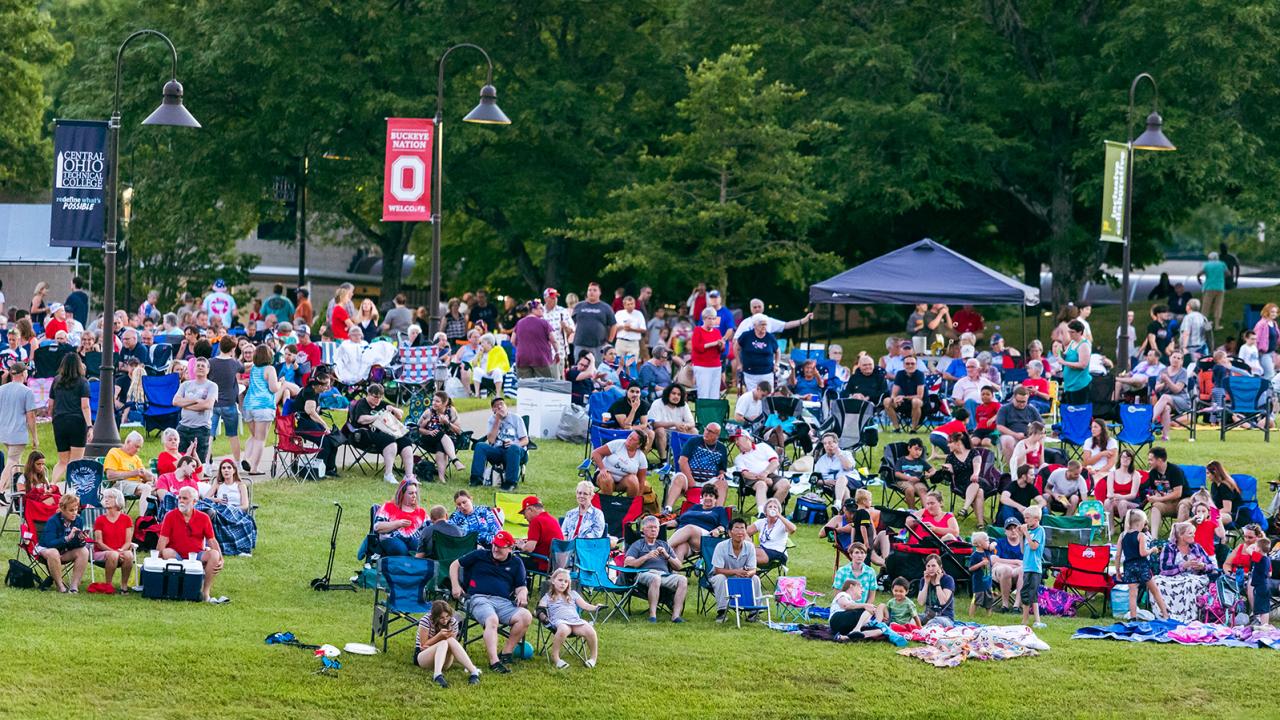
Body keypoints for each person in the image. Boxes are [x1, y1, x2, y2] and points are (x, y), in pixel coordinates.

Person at [450, 530, 532, 673]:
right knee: (492, 619)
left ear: (510, 548)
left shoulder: (516, 562)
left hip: (503, 602)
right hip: (478, 599)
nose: (495, 548)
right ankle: (494, 662)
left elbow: (521, 586)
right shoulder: (480, 555)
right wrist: (455, 586)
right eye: (494, 544)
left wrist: (523, 594)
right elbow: (454, 565)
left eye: (500, 546)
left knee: (525, 616)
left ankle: (506, 653)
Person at [156, 486, 227, 603]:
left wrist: (221, 559)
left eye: (185, 498)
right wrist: (157, 558)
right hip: (176, 554)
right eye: (179, 498)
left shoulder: (203, 517)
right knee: (166, 552)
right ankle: (175, 588)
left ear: (195, 501)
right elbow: (162, 540)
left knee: (214, 555)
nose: (181, 501)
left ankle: (205, 592)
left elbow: (212, 540)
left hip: (197, 555)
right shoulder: (170, 516)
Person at [349, 383, 416, 485]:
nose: (378, 400)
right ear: (368, 394)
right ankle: (388, 474)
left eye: (380, 397)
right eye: (375, 397)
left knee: (405, 441)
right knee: (389, 440)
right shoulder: (362, 403)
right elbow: (361, 419)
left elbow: (400, 415)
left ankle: (409, 476)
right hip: (365, 434)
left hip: (385, 431)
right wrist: (379, 415)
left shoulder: (382, 404)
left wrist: (393, 409)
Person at [624, 515, 687, 622]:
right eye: (650, 527)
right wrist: (646, 556)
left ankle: (676, 616)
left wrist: (667, 556)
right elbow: (627, 562)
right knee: (655, 578)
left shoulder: (664, 545)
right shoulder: (638, 544)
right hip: (644, 573)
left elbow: (678, 566)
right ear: (643, 530)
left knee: (683, 580)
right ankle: (652, 615)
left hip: (663, 575)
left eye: (656, 527)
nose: (653, 530)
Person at [1154, 521, 1217, 622]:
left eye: (1194, 533)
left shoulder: (1197, 547)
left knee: (1189, 583)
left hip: (1194, 578)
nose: (1194, 536)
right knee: (1156, 582)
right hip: (1174, 578)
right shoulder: (1169, 548)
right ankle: (1166, 614)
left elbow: (1212, 566)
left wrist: (1203, 566)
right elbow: (1165, 569)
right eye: (1190, 533)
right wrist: (1184, 565)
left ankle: (1188, 616)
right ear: (1180, 535)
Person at [538, 568, 600, 668]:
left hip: (575, 621)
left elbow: (585, 606)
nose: (563, 583)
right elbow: (540, 608)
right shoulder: (548, 596)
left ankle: (593, 658)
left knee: (590, 630)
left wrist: (596, 607)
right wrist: (543, 617)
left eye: (566, 581)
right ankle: (556, 657)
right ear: (553, 581)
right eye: (560, 580)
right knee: (563, 629)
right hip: (559, 622)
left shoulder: (573, 594)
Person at [415, 599, 482, 687]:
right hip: (423, 656)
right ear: (435, 617)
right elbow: (423, 645)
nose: (445, 620)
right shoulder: (426, 620)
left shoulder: (453, 621)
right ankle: (437, 675)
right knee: (443, 643)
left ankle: (474, 672)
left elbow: (452, 646)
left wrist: (446, 638)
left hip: (443, 658)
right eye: (441, 618)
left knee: (449, 641)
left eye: (447, 616)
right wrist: (439, 636)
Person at [708, 517, 763, 622]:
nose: (740, 531)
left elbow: (753, 569)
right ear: (729, 532)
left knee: (755, 578)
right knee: (720, 578)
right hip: (722, 577)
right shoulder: (721, 546)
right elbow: (717, 570)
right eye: (736, 528)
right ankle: (722, 612)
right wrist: (736, 571)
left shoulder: (750, 547)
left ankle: (754, 611)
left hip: (741, 577)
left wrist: (748, 574)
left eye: (742, 528)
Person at [1118, 508, 1170, 620]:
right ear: (1139, 523)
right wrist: (1152, 550)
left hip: (1129, 567)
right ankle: (1165, 614)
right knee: (1155, 590)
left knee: (1132, 594)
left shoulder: (1122, 535)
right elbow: (1142, 553)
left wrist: (1118, 570)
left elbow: (1118, 555)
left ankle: (1133, 617)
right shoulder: (1140, 535)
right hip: (1142, 566)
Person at [663, 423, 729, 511]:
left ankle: (718, 511)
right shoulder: (694, 441)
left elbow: (722, 468)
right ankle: (668, 509)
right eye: (706, 429)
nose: (706, 432)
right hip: (689, 478)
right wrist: (692, 482)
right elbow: (682, 462)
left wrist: (722, 474)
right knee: (678, 478)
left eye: (710, 432)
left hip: (709, 482)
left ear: (717, 435)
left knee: (723, 483)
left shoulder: (722, 448)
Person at [48, 353, 91, 485]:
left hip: (59, 422)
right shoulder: (83, 382)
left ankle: (52, 485)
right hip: (77, 422)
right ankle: (72, 490)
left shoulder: (56, 380)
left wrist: (53, 419)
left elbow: (50, 405)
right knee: (75, 461)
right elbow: (85, 406)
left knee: (62, 461)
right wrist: (90, 426)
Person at [0, 361, 39, 499]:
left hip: (4, 431)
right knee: (12, 460)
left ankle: (17, 490)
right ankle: (0, 488)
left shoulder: (2, 389)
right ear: (23, 373)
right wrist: (35, 437)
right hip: (17, 432)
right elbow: (31, 417)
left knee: (16, 462)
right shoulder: (26, 391)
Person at [37, 494, 90, 593]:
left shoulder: (78, 520)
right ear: (62, 509)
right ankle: (60, 586)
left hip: (64, 551)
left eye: (76, 509)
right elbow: (49, 543)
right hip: (46, 550)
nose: (74, 513)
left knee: (84, 551)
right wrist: (67, 538)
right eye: (71, 510)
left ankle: (74, 587)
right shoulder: (53, 521)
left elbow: (74, 545)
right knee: (53, 552)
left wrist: (80, 539)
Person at [732, 431, 787, 518]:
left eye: (738, 439)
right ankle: (762, 513)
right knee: (761, 484)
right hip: (752, 479)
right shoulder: (739, 458)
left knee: (785, 484)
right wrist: (763, 478)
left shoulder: (762, 447)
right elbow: (745, 474)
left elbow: (775, 462)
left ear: (747, 438)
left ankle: (771, 511)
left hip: (770, 474)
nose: (736, 443)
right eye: (735, 441)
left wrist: (766, 473)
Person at [172, 356, 217, 462]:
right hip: (183, 426)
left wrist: (185, 404)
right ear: (193, 368)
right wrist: (196, 400)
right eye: (198, 365)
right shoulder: (185, 385)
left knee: (198, 462)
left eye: (203, 366)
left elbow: (208, 405)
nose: (200, 367)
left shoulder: (212, 386)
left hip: (201, 428)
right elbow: (175, 402)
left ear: (208, 370)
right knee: (180, 459)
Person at [937, 432, 986, 527]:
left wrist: (975, 474)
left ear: (958, 443)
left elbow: (977, 465)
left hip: (974, 479)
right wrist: (948, 470)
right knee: (979, 491)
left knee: (976, 485)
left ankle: (965, 509)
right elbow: (950, 473)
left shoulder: (973, 452)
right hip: (960, 484)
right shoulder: (950, 457)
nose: (947, 445)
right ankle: (980, 523)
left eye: (950, 442)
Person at [93, 487, 135, 592]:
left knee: (129, 555)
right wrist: (114, 551)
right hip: (102, 552)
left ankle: (124, 586)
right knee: (113, 555)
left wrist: (121, 551)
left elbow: (128, 542)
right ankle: (108, 585)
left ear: (118, 500)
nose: (106, 499)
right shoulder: (100, 520)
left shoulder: (126, 519)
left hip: (121, 551)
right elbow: (99, 542)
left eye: (110, 497)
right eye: (105, 497)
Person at [103, 430, 156, 512]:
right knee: (146, 488)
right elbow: (110, 475)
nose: (138, 450)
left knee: (159, 490)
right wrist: (133, 473)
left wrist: (150, 478)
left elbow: (144, 474)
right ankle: (144, 520)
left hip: (136, 485)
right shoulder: (114, 452)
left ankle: (160, 520)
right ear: (128, 442)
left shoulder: (136, 458)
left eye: (139, 447)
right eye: (136, 446)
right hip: (120, 483)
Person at [416, 392, 464, 481]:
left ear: (445, 403)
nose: (434, 403)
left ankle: (442, 478)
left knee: (441, 443)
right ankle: (455, 460)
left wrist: (447, 423)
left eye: (437, 401)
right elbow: (417, 428)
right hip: (428, 439)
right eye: (433, 400)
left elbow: (458, 431)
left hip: (448, 443)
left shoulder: (451, 411)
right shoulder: (428, 412)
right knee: (439, 433)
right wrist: (428, 432)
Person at [590, 430, 650, 498]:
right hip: (604, 477)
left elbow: (641, 481)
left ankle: (630, 505)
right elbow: (596, 453)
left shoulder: (641, 457)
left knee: (633, 480)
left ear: (639, 445)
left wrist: (639, 500)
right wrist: (602, 468)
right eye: (630, 436)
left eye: (633, 439)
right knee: (606, 478)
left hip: (622, 483)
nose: (629, 439)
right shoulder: (618, 444)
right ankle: (606, 505)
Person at [373, 480, 427, 556]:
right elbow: (377, 527)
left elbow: (429, 530)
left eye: (415, 493)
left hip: (413, 539)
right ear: (402, 494)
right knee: (400, 549)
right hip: (390, 538)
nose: (414, 495)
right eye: (411, 493)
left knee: (419, 548)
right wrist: (398, 523)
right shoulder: (388, 507)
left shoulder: (421, 512)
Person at [1143, 447, 1188, 539]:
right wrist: (1155, 495)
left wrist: (1159, 498)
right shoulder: (1153, 473)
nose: (1149, 462)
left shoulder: (1175, 471)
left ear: (1159, 460)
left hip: (1182, 500)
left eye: (1151, 460)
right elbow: (1155, 489)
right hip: (1167, 503)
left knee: (1184, 506)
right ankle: (1153, 538)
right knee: (1155, 507)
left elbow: (1177, 493)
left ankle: (1178, 537)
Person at [813, 432, 860, 511]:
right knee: (844, 490)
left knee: (841, 478)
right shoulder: (821, 461)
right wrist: (825, 482)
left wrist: (839, 454)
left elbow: (848, 467)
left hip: (853, 482)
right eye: (825, 444)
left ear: (836, 443)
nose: (827, 445)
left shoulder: (846, 454)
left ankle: (838, 503)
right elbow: (814, 480)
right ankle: (845, 514)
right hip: (833, 486)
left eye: (830, 443)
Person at [570, 283, 615, 365]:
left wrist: (609, 341)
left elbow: (613, 325)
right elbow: (571, 323)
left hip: (598, 345)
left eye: (594, 290)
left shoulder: (606, 307)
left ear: (600, 292)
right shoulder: (579, 306)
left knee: (597, 370)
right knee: (580, 368)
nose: (591, 292)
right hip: (580, 344)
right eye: (589, 290)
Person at [648, 383, 695, 462]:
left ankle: (689, 460)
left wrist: (685, 426)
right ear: (667, 394)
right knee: (660, 430)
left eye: (679, 394)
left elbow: (692, 423)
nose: (676, 396)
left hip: (678, 433)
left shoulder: (684, 405)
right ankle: (663, 461)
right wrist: (674, 423)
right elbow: (654, 424)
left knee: (694, 431)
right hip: (659, 435)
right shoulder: (657, 403)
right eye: (673, 393)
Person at [515, 495, 563, 572]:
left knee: (512, 560)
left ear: (530, 509)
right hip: (556, 564)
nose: (524, 517)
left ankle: (520, 584)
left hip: (544, 563)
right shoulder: (552, 519)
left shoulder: (536, 521)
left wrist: (521, 545)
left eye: (524, 513)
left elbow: (529, 549)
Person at [995, 387, 1042, 463]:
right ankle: (1014, 467)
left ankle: (1038, 465)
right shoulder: (1004, 409)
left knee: (1041, 436)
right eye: (1019, 401)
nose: (1021, 404)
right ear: (1013, 398)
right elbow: (1000, 427)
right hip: (1010, 436)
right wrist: (1015, 435)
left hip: (1028, 436)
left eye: (1024, 401)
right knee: (1007, 440)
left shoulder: (1031, 409)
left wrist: (1032, 435)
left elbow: (1040, 425)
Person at [512, 300, 557, 379]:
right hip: (541, 358)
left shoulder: (519, 323)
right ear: (533, 310)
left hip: (522, 358)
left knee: (526, 386)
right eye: (540, 308)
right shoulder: (543, 323)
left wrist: (522, 348)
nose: (543, 310)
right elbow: (553, 340)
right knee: (544, 385)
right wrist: (557, 352)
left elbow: (512, 340)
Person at [1018, 506, 1047, 628]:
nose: (1025, 520)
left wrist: (1026, 534)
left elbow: (1034, 547)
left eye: (1027, 518)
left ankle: (1025, 621)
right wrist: (1021, 536)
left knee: (1026, 593)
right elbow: (1023, 551)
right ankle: (1037, 620)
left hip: (1034, 568)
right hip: (1027, 567)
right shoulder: (1029, 532)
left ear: (1036, 519)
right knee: (1033, 595)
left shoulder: (1039, 530)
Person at [602, 385, 654, 450]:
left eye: (637, 392)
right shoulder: (619, 403)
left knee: (650, 433)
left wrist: (632, 428)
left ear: (640, 394)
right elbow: (624, 426)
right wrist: (634, 409)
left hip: (631, 428)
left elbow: (644, 424)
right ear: (627, 392)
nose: (635, 394)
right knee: (630, 431)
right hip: (615, 429)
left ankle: (641, 457)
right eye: (632, 391)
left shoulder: (643, 404)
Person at [884, 354, 927, 432]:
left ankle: (913, 429)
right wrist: (895, 399)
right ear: (903, 365)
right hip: (903, 402)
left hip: (921, 403)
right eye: (907, 364)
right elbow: (894, 393)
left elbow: (919, 396)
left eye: (912, 363)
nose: (910, 365)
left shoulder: (920, 374)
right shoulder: (900, 374)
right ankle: (897, 428)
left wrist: (903, 397)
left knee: (915, 401)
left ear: (916, 365)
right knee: (887, 401)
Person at [690, 307, 725, 401]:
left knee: (714, 393)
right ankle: (703, 415)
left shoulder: (717, 332)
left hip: (716, 365)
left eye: (714, 318)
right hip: (702, 366)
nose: (712, 321)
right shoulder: (698, 330)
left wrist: (721, 345)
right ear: (704, 319)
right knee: (703, 392)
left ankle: (713, 414)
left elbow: (721, 350)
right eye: (709, 318)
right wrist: (713, 344)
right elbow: (697, 347)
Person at [736, 317, 779, 393]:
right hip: (750, 373)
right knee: (752, 395)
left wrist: (776, 364)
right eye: (762, 324)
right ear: (755, 325)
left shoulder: (770, 337)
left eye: (765, 324)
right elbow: (736, 347)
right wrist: (739, 363)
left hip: (767, 372)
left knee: (767, 395)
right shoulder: (746, 336)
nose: (764, 326)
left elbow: (777, 351)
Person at [749, 497, 794, 567]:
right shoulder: (761, 522)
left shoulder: (782, 523)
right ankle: (747, 572)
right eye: (770, 507)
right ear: (765, 511)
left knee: (748, 554)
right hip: (762, 550)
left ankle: (745, 568)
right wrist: (750, 544)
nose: (773, 509)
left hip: (778, 553)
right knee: (744, 545)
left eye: (775, 507)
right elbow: (744, 532)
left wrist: (779, 516)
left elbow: (793, 529)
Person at [892, 438, 931, 509]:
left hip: (918, 482)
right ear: (909, 448)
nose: (918, 452)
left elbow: (932, 470)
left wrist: (930, 474)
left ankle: (927, 511)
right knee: (910, 489)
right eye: (916, 449)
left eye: (920, 450)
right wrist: (910, 478)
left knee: (922, 490)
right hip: (903, 481)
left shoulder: (921, 461)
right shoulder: (902, 460)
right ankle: (912, 511)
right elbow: (897, 473)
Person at [916, 554, 955, 625]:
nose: (930, 569)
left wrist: (937, 582)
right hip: (928, 615)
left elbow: (943, 602)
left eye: (933, 566)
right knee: (913, 620)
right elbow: (921, 602)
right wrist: (926, 583)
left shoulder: (948, 579)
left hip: (945, 617)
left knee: (933, 622)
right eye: (928, 566)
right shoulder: (923, 580)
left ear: (940, 567)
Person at [1060, 320, 1092, 404]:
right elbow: (1066, 356)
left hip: (1079, 385)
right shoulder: (1072, 342)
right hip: (1069, 384)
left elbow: (1083, 365)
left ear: (1080, 332)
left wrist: (1064, 363)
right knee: (1069, 411)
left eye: (1072, 332)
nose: (1070, 334)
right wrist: (1059, 352)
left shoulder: (1084, 345)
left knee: (1078, 411)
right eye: (1069, 331)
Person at [1198, 251, 1228, 330]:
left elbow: (1199, 274)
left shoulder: (1207, 265)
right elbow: (1228, 273)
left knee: (1206, 307)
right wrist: (1222, 277)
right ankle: (1217, 325)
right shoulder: (1222, 264)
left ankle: (1204, 325)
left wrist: (1199, 280)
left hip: (1209, 287)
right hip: (1220, 287)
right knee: (1218, 306)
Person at [968, 531, 996, 615]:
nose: (988, 542)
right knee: (976, 599)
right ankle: (971, 615)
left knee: (989, 599)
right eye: (986, 540)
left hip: (988, 582)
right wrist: (980, 564)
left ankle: (989, 615)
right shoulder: (975, 555)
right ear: (979, 544)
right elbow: (970, 568)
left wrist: (992, 545)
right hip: (979, 583)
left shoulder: (987, 552)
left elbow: (994, 544)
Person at [1251, 302, 1278, 380]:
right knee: (1269, 375)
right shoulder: (1261, 324)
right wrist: (1256, 353)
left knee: (1272, 375)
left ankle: (1269, 391)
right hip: (1264, 354)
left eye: (1275, 312)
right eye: (1272, 312)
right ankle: (1263, 391)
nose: (1274, 314)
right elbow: (1255, 339)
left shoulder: (1274, 323)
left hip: (1272, 353)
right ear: (1267, 312)